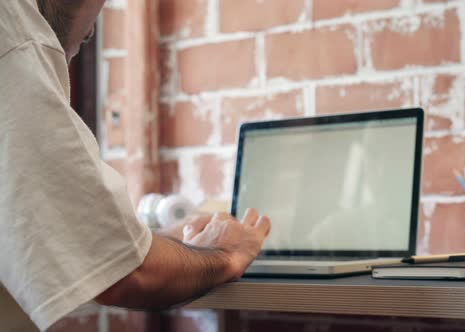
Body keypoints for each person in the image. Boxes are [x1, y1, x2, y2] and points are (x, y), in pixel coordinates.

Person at [0, 1, 271, 330]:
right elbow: (127, 275)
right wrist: (226, 254)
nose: (91, 30)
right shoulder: (13, 35)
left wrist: (148, 244)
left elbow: (86, 246)